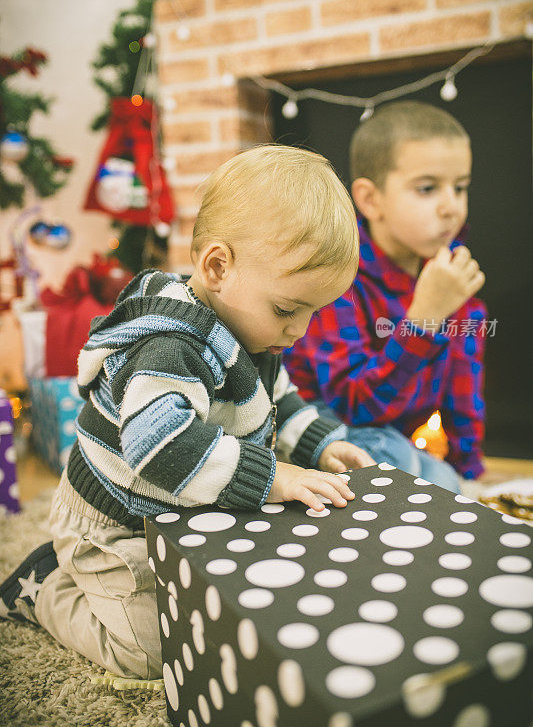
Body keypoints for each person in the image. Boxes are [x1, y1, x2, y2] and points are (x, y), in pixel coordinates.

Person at [0, 144, 375, 681]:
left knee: (242, 603)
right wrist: (275, 477)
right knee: (152, 651)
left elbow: (279, 401)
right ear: (217, 267)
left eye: (314, 311)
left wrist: (318, 444)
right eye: (288, 309)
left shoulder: (252, 329)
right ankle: (43, 588)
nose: (299, 330)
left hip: (179, 510)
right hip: (116, 521)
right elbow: (161, 447)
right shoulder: (172, 346)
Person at [284, 101, 487, 492]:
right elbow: (353, 406)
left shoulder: (451, 273)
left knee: (444, 479)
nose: (451, 206)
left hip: (392, 436)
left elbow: (465, 389)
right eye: (428, 188)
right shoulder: (339, 276)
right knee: (391, 457)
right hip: (322, 428)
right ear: (370, 200)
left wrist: (469, 472)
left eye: (460, 187)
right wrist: (424, 320)